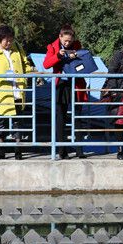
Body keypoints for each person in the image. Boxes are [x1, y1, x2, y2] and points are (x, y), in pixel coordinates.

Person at [0, 25, 34, 160]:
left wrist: (28, 75)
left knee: (18, 120)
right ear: (0, 40)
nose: (9, 43)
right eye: (6, 40)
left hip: (17, 90)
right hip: (3, 93)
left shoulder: (17, 48)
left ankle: (18, 148)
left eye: (11, 39)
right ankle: (1, 147)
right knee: (2, 121)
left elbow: (25, 63)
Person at [42, 25, 88, 159]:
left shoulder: (77, 46)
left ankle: (80, 150)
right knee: (60, 118)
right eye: (65, 41)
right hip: (61, 85)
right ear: (60, 37)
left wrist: (76, 56)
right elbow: (46, 64)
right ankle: (62, 150)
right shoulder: (52, 47)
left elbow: (85, 61)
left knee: (77, 116)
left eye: (70, 41)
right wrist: (58, 55)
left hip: (76, 84)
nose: (67, 43)